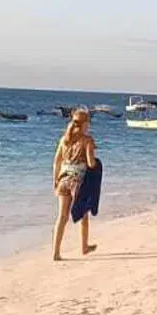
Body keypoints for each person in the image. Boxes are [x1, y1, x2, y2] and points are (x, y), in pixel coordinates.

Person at [51, 109, 98, 262]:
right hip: (78, 182)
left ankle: (56, 252)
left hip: (63, 180)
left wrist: (55, 180)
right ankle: (84, 247)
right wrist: (96, 163)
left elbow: (56, 161)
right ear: (85, 124)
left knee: (62, 217)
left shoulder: (64, 139)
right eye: (89, 122)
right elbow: (91, 164)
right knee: (83, 214)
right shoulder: (87, 140)